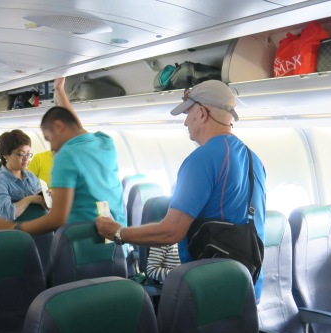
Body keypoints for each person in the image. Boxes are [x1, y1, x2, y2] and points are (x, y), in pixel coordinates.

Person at [95, 80, 267, 300]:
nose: (185, 122)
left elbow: (171, 231)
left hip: (210, 291)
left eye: (188, 113)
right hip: (248, 288)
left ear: (202, 113)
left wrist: (118, 232)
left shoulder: (201, 159)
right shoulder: (255, 160)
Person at [0, 77, 125, 233]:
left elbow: (56, 218)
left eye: (49, 138)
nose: (52, 147)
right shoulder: (104, 141)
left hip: (81, 236)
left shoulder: (66, 157)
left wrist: (13, 227)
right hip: (115, 231)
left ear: (59, 127)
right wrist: (59, 91)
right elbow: (77, 128)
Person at [0, 130, 44, 221]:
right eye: (21, 154)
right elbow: (4, 214)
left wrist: (46, 198)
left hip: (37, 226)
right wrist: (30, 199)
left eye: (28, 153)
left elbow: (40, 200)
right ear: (6, 155)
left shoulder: (31, 176)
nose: (26, 159)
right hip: (12, 232)